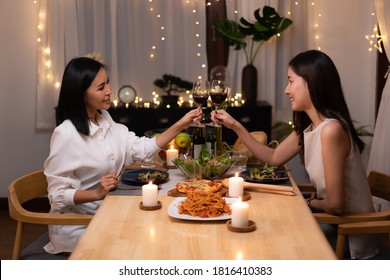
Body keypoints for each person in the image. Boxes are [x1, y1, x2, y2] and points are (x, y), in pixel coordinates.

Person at [211, 50, 377, 259]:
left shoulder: (331, 130)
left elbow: (335, 205)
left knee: (269, 240)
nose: (286, 90)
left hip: (347, 233)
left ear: (311, 83)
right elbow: (273, 157)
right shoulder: (310, 127)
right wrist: (234, 125)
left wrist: (308, 202)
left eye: (291, 81)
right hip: (330, 219)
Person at [43, 57, 201, 254]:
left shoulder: (105, 119)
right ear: (81, 94)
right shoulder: (66, 133)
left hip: (108, 214)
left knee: (161, 227)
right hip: (80, 226)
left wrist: (180, 125)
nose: (109, 90)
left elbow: (141, 148)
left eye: (107, 82)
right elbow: (56, 195)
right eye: (101, 87)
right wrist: (96, 193)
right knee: (147, 242)